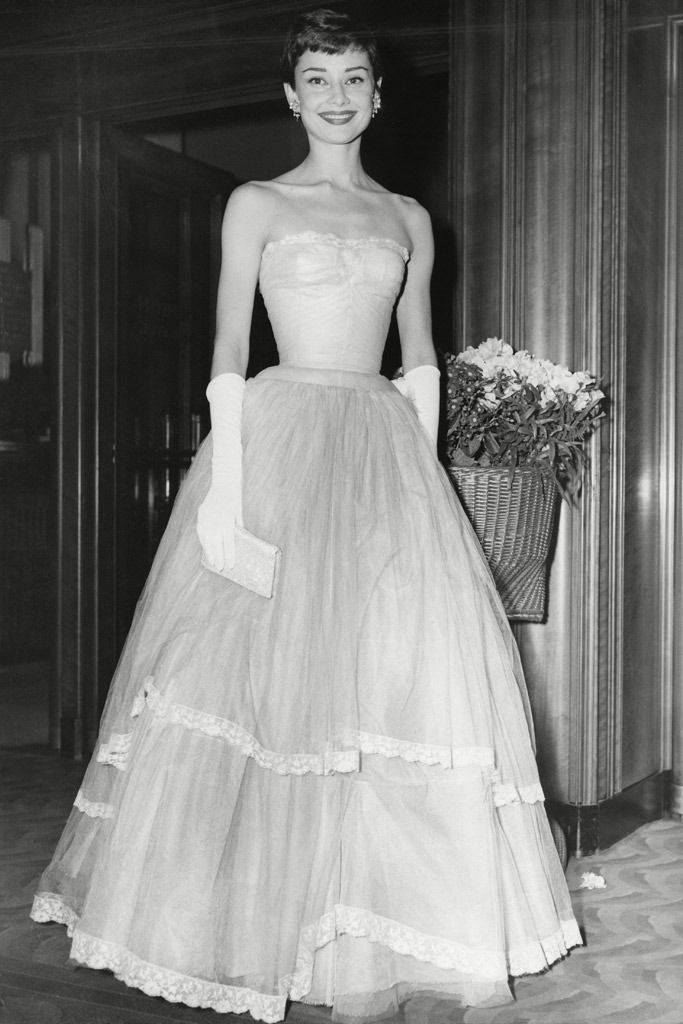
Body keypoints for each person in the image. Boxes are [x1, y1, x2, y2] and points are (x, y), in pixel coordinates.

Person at [31, 9, 582, 1022]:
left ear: (378, 94)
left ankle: (362, 925)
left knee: (380, 696)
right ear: (291, 95)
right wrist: (227, 504)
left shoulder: (410, 219)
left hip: (379, 453)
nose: (336, 95)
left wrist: (419, 501)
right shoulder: (253, 203)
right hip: (279, 445)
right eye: (317, 78)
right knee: (261, 697)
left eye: (355, 77)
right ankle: (242, 919)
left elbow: (417, 359)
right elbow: (227, 358)